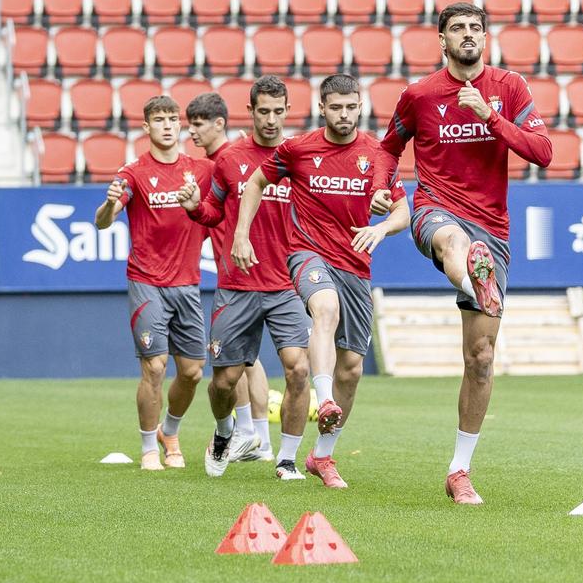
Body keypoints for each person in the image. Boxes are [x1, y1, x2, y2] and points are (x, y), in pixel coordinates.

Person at [380, 2, 553, 505]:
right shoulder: (419, 94)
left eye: (475, 28)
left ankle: (459, 470)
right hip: (434, 208)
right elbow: (389, 148)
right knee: (451, 241)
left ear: (485, 37)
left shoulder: (509, 88)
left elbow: (542, 152)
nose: (468, 35)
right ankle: (471, 280)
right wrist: (379, 186)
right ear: (443, 40)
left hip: (493, 228)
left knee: (480, 357)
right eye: (458, 29)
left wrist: (491, 117)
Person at [232, 74, 406, 491]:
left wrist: (382, 229)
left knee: (353, 369)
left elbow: (403, 210)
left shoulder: (377, 155)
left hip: (356, 265)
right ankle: (322, 397)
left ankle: (322, 456)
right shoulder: (298, 149)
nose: (344, 114)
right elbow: (256, 181)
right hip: (307, 253)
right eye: (336, 107)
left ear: (359, 106)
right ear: (322, 108)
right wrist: (241, 233)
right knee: (324, 307)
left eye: (351, 107)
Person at [184, 83, 312, 480]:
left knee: (298, 370)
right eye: (263, 112)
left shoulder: (300, 158)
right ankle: (225, 432)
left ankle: (287, 459)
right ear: (250, 111)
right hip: (237, 285)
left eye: (278, 111)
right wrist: (193, 208)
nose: (271, 120)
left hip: (285, 284)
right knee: (224, 380)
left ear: (288, 110)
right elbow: (212, 212)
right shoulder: (230, 160)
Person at [95, 95, 210, 472]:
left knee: (192, 372)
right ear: (146, 128)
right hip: (147, 282)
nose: (165, 125)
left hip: (188, 283)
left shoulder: (200, 169)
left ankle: (169, 431)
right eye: (158, 119)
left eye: (171, 119)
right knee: (155, 367)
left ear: (180, 125)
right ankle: (148, 448)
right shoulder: (133, 172)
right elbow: (103, 221)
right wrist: (110, 206)